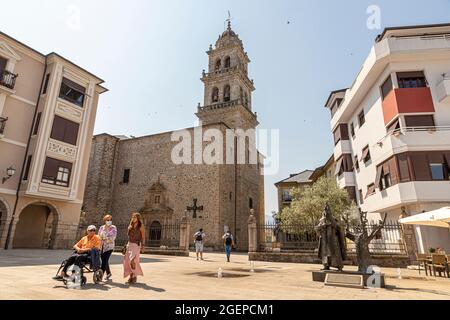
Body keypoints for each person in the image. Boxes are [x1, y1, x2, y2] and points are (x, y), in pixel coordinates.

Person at [123, 212, 145, 284]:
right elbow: (128, 235)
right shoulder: (130, 225)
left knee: (132, 260)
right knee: (127, 261)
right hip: (129, 244)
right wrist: (128, 229)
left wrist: (143, 246)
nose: (133, 218)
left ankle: (134, 275)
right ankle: (131, 275)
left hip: (136, 244)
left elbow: (143, 236)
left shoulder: (140, 225)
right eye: (132, 217)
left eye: (135, 217)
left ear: (138, 218)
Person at [98, 214, 117, 281]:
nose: (109, 221)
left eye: (110, 220)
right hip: (101, 246)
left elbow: (113, 237)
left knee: (104, 261)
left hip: (109, 247)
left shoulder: (113, 227)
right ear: (105, 220)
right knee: (104, 260)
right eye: (108, 220)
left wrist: (104, 238)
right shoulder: (101, 227)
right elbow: (98, 236)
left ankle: (100, 276)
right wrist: (101, 239)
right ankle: (108, 273)